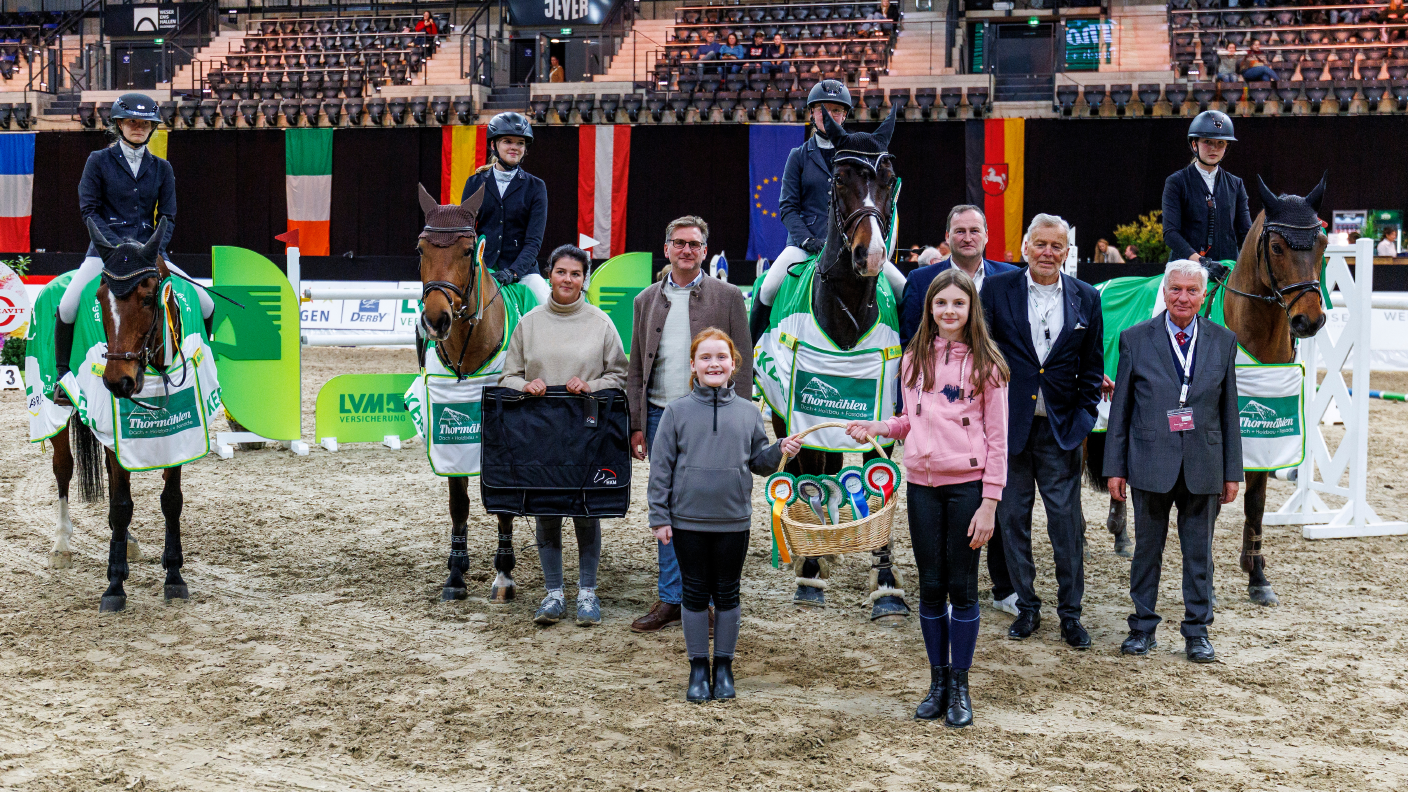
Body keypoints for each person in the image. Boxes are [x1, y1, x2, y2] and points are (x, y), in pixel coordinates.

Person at [846, 268, 1008, 727]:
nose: (949, 311)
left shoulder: (988, 365)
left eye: (958, 303)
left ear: (971, 308)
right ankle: (937, 682)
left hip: (967, 487)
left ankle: (960, 685)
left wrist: (990, 502)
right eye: (941, 303)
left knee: (963, 586)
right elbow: (908, 419)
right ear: (929, 309)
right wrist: (880, 427)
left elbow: (998, 439)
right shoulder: (913, 358)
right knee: (932, 585)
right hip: (921, 486)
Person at [649, 328, 803, 702]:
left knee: (728, 593)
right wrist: (660, 516)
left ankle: (724, 667)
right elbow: (661, 468)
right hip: (687, 520)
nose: (714, 363)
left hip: (733, 521)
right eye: (705, 357)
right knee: (694, 593)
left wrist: (781, 450)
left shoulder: (749, 413)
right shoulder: (676, 412)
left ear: (734, 364)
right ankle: (698, 669)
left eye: (722, 357)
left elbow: (759, 462)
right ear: (693, 365)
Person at [1105, 259, 1242, 664]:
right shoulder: (1134, 339)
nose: (1183, 297)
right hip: (1149, 462)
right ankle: (1142, 628)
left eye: (1192, 290)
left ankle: (1197, 632)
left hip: (1204, 464)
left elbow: (1229, 411)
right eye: (1176, 289)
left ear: (1204, 295)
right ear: (1164, 293)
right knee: (1147, 552)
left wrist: (1232, 472)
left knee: (1199, 555)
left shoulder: (1224, 341)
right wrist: (1115, 467)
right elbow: (1121, 410)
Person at [980, 214, 1104, 648]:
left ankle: (1071, 614)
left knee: (1066, 526)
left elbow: (1092, 367)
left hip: (1061, 431)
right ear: (1025, 247)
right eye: (1040, 244)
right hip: (1009, 430)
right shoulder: (996, 290)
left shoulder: (1087, 297)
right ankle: (1027, 608)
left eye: (1057, 246)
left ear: (1067, 251)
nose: (1048, 253)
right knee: (1012, 521)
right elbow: (983, 355)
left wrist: (1083, 417)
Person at [627, 217, 753, 633]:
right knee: (666, 505)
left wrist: (740, 418)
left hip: (713, 415)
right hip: (660, 414)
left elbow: (744, 362)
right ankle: (671, 598)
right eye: (679, 243)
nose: (686, 250)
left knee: (707, 506)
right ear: (666, 249)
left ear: (704, 251)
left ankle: (708, 600)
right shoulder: (645, 299)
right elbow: (636, 366)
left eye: (694, 244)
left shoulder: (729, 297)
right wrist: (637, 423)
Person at [899, 205, 1020, 616]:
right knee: (772, 282)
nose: (967, 237)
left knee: (996, 512)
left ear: (986, 235)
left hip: (987, 411)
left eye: (974, 230)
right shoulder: (919, 281)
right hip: (931, 443)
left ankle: (1005, 586)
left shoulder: (1010, 277)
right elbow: (911, 341)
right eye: (959, 230)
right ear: (947, 236)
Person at [499, 244, 628, 627]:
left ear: (584, 279)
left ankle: (588, 593)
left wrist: (591, 386)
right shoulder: (529, 323)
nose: (567, 279)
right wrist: (526, 386)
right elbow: (507, 377)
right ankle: (553, 593)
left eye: (575, 273)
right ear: (549, 274)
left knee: (586, 513)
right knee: (547, 512)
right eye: (561, 272)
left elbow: (619, 376)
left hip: (587, 436)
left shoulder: (601, 323)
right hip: (540, 437)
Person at [56, 93, 214, 386]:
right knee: (67, 306)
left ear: (152, 127)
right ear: (119, 124)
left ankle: (205, 366)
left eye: (145, 123)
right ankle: (62, 376)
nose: (138, 128)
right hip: (105, 253)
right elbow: (89, 211)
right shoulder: (98, 161)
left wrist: (153, 250)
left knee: (206, 304)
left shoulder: (162, 168)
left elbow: (167, 217)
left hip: (148, 253)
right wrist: (115, 249)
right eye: (132, 122)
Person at [750, 80, 908, 341]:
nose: (829, 115)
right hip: (804, 246)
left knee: (904, 290)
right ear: (812, 113)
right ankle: (751, 350)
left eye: (836, 110)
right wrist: (807, 240)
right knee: (767, 288)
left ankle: (908, 349)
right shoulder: (799, 156)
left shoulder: (857, 155)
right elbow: (788, 207)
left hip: (853, 244)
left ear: (844, 115)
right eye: (823, 109)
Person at [461, 112, 550, 305]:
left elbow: (534, 242)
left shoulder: (536, 187)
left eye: (520, 143)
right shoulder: (474, 183)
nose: (514, 147)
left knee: (547, 305)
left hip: (523, 272)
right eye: (507, 141)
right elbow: (465, 231)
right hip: (482, 267)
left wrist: (513, 272)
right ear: (494, 145)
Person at [1162, 111, 1251, 267]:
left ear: (1226, 146)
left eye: (1220, 143)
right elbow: (1170, 233)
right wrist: (1202, 262)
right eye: (1207, 142)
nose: (1214, 148)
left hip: (1227, 267)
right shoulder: (1176, 182)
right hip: (1187, 267)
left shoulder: (1236, 184)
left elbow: (1246, 233)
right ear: (1194, 144)